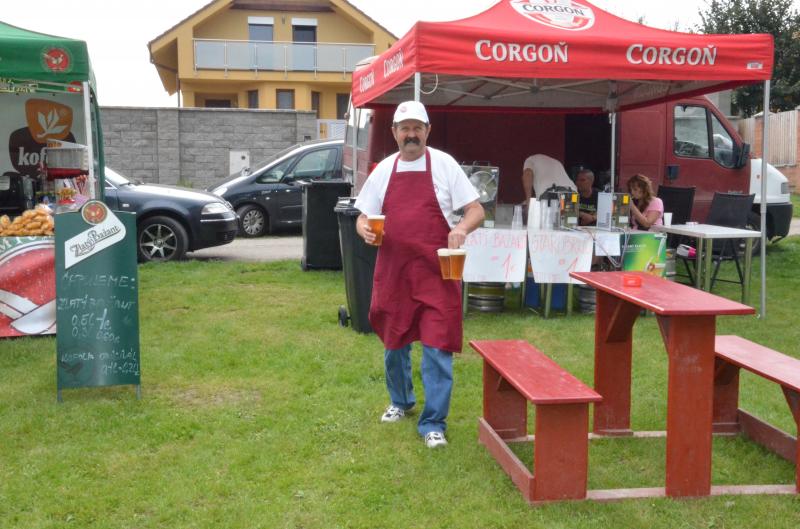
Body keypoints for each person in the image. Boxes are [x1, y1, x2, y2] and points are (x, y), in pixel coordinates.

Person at [354, 101, 485, 449]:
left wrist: (461, 228)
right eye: (404, 128)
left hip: (436, 274)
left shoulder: (444, 165)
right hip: (395, 274)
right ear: (394, 133)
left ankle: (433, 423)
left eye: (417, 128)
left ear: (428, 131)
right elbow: (363, 216)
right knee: (394, 343)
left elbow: (476, 209)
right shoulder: (384, 170)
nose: (411, 134)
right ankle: (401, 401)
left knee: (437, 346)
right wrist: (364, 228)